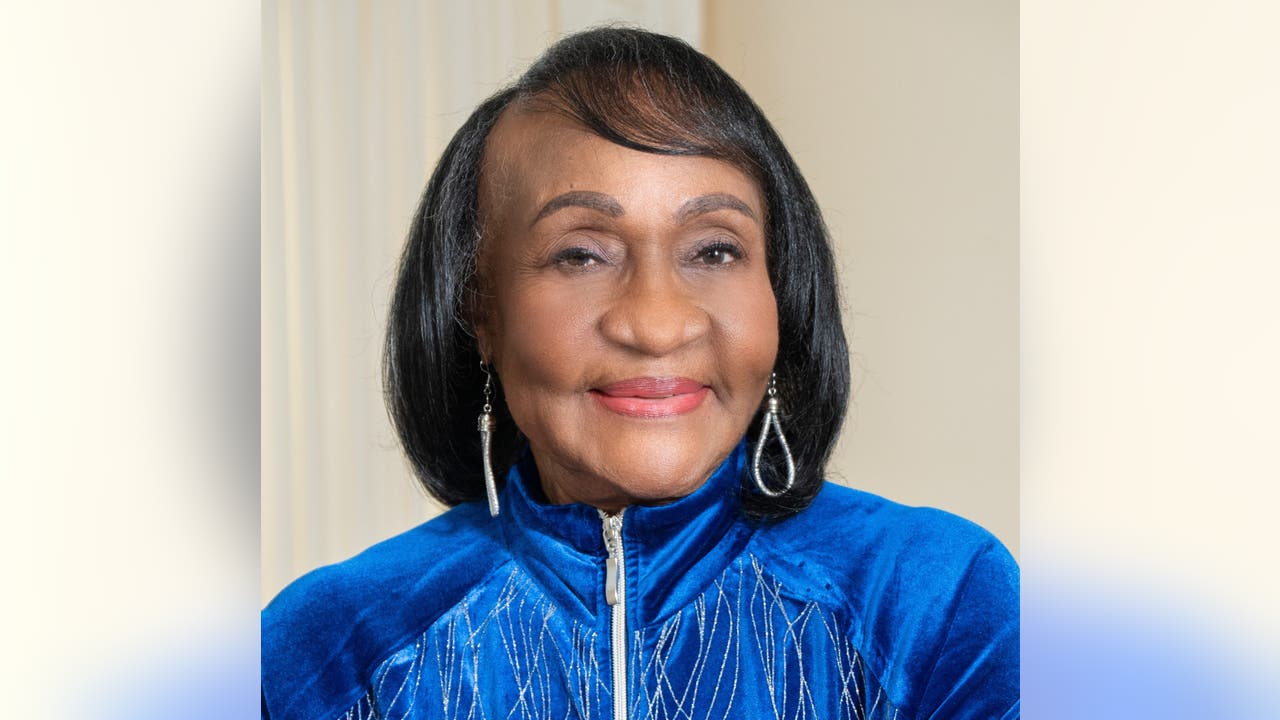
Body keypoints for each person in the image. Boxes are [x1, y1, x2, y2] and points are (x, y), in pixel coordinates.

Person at [262, 27, 1018, 720]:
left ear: (782, 295)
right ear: (481, 312)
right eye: (580, 254)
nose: (657, 324)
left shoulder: (935, 604)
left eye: (715, 250)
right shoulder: (325, 652)